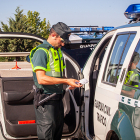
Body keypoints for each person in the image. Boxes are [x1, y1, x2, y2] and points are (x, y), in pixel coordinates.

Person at [30, 22, 82, 140]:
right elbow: (41, 79)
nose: (63, 44)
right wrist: (66, 81)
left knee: (57, 134)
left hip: (57, 99)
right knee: (47, 135)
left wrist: (70, 81)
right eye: (62, 40)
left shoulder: (57, 51)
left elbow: (59, 77)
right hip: (45, 101)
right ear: (54, 35)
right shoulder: (41, 52)